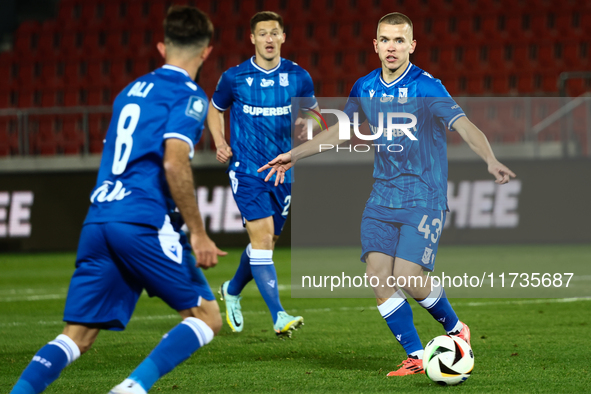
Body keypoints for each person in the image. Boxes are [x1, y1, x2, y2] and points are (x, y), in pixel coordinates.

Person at [259, 12, 516, 375]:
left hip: (423, 196)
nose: (391, 47)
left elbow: (466, 125)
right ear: (375, 45)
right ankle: (417, 355)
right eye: (385, 40)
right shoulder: (364, 87)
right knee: (378, 276)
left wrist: (489, 159)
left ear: (412, 45)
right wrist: (294, 154)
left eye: (399, 40)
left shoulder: (427, 86)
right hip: (382, 198)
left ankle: (456, 329)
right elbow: (341, 131)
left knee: (409, 276)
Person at [10, 6, 225, 394]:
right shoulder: (190, 96)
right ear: (206, 52)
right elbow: (174, 163)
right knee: (207, 317)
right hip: (142, 218)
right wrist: (197, 233)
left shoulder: (130, 91)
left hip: (99, 218)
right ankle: (132, 388)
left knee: (77, 336)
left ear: (163, 47)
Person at [207, 11, 317, 338]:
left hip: (283, 172)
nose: (269, 39)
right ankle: (278, 315)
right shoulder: (234, 77)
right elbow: (216, 109)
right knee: (263, 240)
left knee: (266, 243)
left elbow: (311, 116)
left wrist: (303, 134)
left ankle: (232, 289)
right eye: (262, 33)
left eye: (274, 33)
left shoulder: (299, 77)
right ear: (252, 39)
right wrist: (220, 141)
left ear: (283, 37)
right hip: (247, 170)